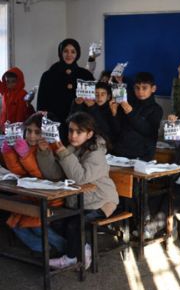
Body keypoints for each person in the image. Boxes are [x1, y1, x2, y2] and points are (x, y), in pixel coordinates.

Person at [37, 112, 119, 269]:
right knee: (56, 221)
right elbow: (55, 175)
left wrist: (62, 150)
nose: (73, 135)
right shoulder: (72, 149)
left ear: (89, 134)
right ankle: (83, 247)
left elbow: (80, 178)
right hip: (78, 202)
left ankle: (71, 258)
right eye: (70, 130)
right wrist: (44, 152)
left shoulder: (96, 153)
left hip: (101, 202)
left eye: (79, 132)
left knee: (74, 224)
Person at [1, 112, 66, 254]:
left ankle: (65, 248)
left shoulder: (50, 148)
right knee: (15, 223)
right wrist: (8, 152)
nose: (31, 136)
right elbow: (19, 171)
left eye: (37, 132)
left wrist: (25, 155)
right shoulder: (26, 146)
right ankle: (45, 250)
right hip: (32, 197)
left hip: (52, 199)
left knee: (36, 226)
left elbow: (40, 175)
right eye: (29, 131)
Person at [36, 38, 95, 128]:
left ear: (77, 54)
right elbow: (41, 104)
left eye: (73, 52)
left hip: (79, 124)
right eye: (66, 51)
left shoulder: (86, 75)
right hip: (54, 124)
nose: (69, 55)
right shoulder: (48, 75)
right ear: (61, 53)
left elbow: (92, 103)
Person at [111, 72, 163, 161]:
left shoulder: (156, 109)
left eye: (144, 88)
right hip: (120, 153)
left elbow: (148, 131)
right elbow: (118, 129)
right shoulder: (128, 104)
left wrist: (130, 112)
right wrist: (114, 113)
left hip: (141, 156)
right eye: (137, 88)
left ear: (153, 88)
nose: (140, 92)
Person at [70, 81, 117, 146]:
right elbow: (72, 121)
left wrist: (92, 108)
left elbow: (106, 129)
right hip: (82, 141)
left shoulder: (112, 109)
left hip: (102, 144)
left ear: (108, 97)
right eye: (96, 94)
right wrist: (77, 105)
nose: (99, 97)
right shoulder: (85, 105)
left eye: (103, 94)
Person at [0, 67, 35, 132]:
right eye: (8, 81)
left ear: (19, 81)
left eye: (13, 81)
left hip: (17, 129)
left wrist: (17, 129)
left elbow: (21, 113)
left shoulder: (22, 94)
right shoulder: (6, 91)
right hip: (5, 128)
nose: (10, 84)